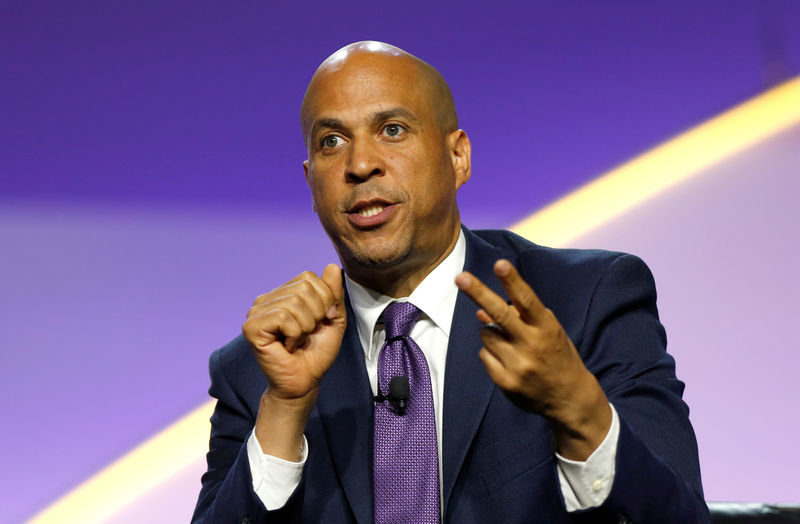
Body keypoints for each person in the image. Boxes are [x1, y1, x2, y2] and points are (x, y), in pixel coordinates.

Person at [192, 41, 709, 523]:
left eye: (392, 129)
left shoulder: (586, 302)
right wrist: (284, 410)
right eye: (332, 142)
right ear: (310, 183)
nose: (360, 164)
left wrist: (581, 410)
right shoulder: (258, 369)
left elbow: (678, 514)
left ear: (457, 157)